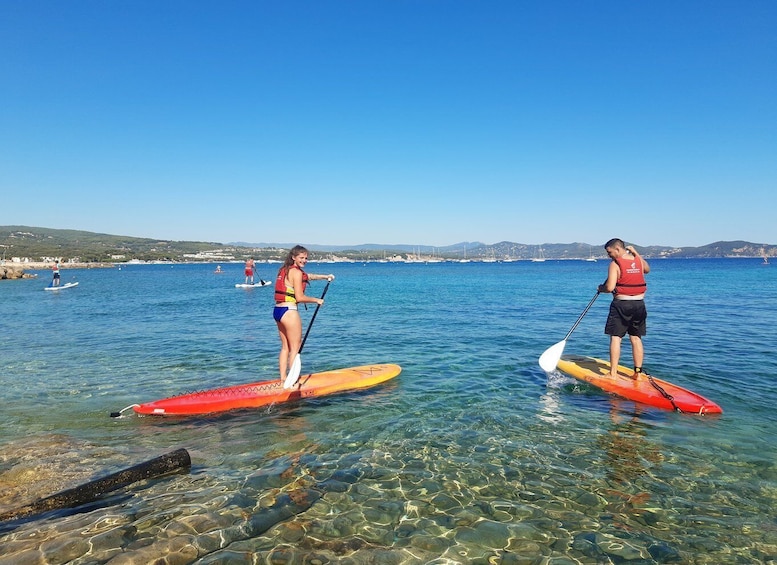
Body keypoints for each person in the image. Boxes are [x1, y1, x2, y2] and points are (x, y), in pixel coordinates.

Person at [273, 245, 334, 380]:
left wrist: (325, 276)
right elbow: (300, 298)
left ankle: (283, 378)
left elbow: (308, 276)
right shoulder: (297, 272)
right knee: (295, 347)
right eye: (301, 258)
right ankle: (293, 380)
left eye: (306, 258)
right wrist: (317, 300)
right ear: (293, 257)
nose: (304, 260)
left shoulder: (284, 270)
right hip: (289, 311)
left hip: (278, 311)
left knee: (285, 347)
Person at [597, 239, 650, 378]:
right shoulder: (637, 260)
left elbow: (609, 288)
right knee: (636, 338)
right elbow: (647, 269)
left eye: (610, 252)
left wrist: (601, 288)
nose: (609, 255)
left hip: (622, 305)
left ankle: (613, 373)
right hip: (639, 305)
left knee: (616, 338)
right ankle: (637, 374)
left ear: (618, 249)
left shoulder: (614, 264)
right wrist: (635, 253)